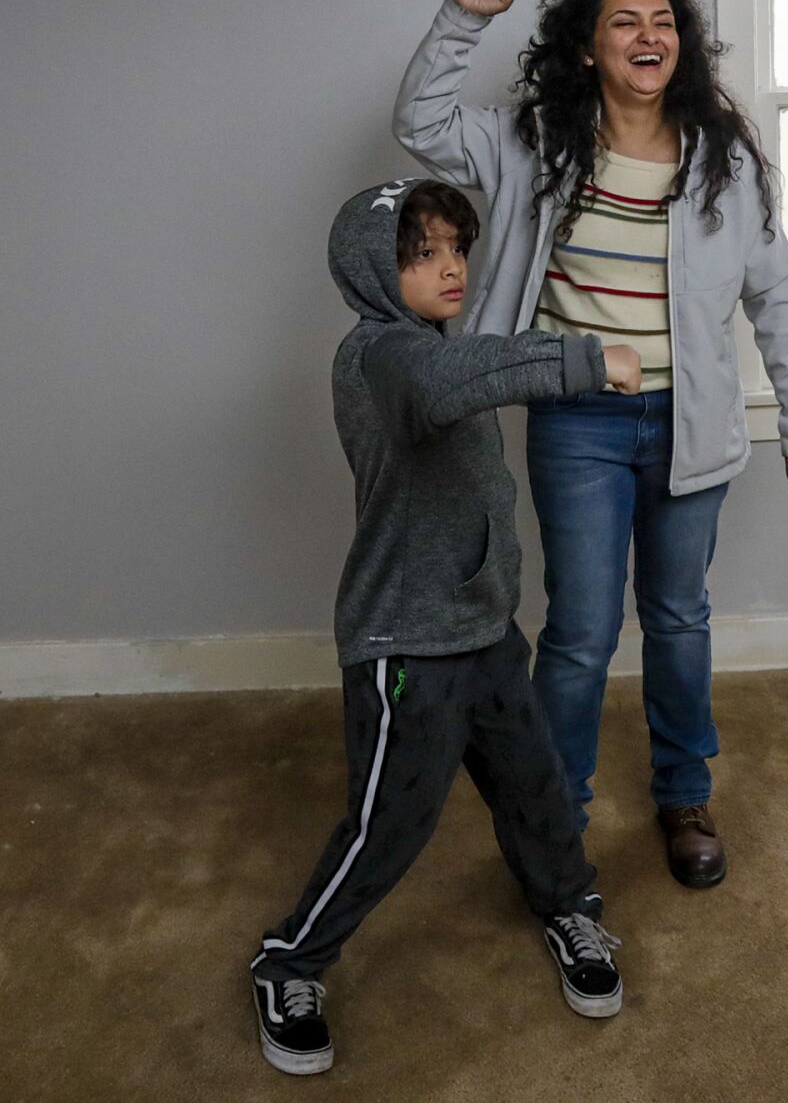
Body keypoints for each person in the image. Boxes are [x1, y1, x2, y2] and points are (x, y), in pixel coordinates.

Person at [393, 0, 788, 890]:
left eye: (663, 21)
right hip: (577, 420)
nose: (647, 37)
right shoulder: (534, 143)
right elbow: (420, 123)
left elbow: (776, 296)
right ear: (588, 48)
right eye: (624, 22)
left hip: (693, 423)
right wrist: (462, 15)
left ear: (684, 43)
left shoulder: (725, 161)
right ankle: (556, 815)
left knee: (678, 618)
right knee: (582, 630)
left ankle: (683, 793)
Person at [248, 177, 642, 1076]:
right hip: (407, 646)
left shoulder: (428, 345)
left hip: (484, 629)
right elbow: (450, 378)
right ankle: (289, 963)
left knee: (537, 790)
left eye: (456, 248)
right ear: (374, 272)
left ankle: (567, 907)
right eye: (422, 254)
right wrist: (586, 360)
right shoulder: (383, 357)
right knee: (390, 823)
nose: (450, 267)